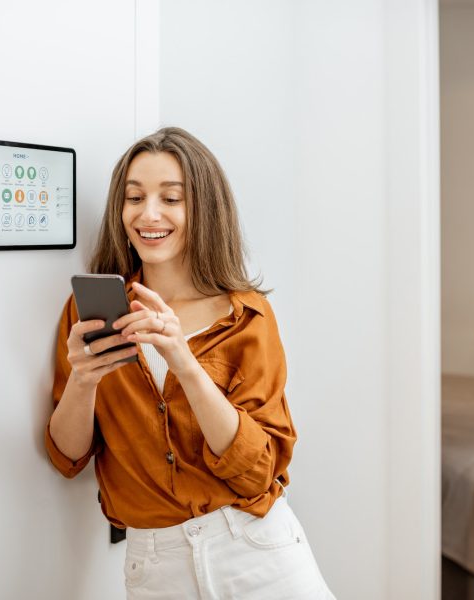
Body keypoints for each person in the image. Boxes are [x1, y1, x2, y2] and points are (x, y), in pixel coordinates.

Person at [44, 127, 334, 599]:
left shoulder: (247, 316)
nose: (148, 214)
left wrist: (184, 362)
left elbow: (258, 471)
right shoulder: (89, 312)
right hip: (156, 566)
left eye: (171, 198)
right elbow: (67, 456)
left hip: (257, 552)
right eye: (134, 197)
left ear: (203, 208)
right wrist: (83, 379)